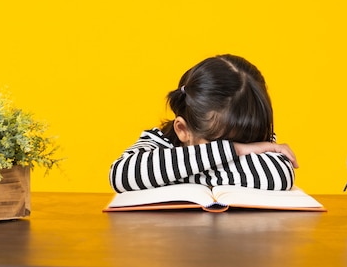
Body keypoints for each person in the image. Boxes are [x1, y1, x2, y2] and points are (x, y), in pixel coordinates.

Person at [109, 54, 299, 193]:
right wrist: (237, 150)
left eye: (249, 144)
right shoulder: (157, 141)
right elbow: (121, 175)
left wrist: (171, 176)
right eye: (221, 145)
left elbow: (277, 176)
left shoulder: (253, 134)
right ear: (182, 129)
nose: (247, 147)